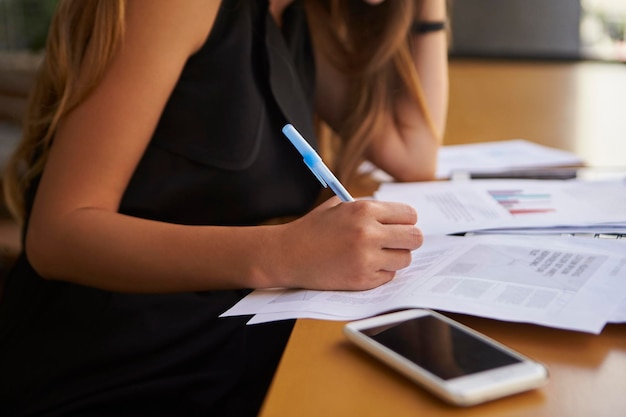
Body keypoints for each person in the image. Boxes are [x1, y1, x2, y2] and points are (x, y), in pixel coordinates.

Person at [0, 0, 448, 415]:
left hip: (219, 335)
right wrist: (284, 252)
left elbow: (414, 153)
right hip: (116, 364)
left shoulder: (300, 14)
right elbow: (58, 234)